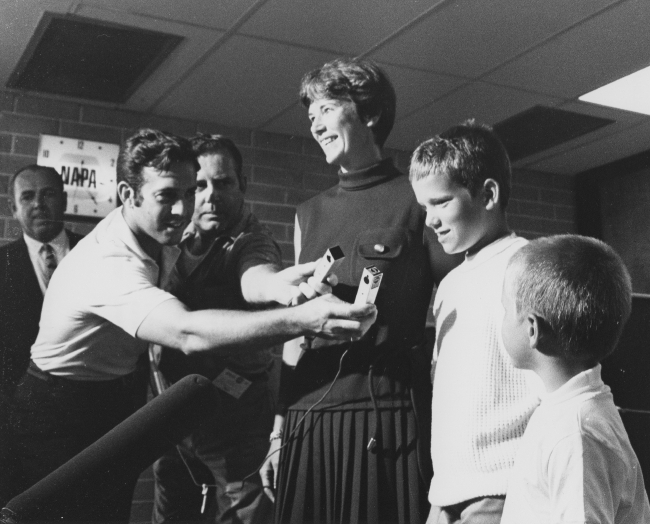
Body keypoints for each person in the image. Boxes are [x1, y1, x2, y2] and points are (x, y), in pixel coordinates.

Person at [9, 128, 377, 522]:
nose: (187, 208)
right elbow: (187, 332)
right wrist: (302, 319)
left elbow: (256, 273)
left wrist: (280, 287)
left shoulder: (184, 231)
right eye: (172, 194)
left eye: (191, 192)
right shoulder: (111, 262)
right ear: (127, 195)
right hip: (61, 407)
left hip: (172, 406)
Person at [261, 58, 459, 524]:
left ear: (369, 114)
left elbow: (455, 314)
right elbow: (297, 327)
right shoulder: (307, 212)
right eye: (310, 115)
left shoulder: (415, 200)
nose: (315, 123)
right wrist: (278, 428)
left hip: (387, 415)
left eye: (327, 108)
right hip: (308, 416)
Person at [410, 120, 540, 524]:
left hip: (503, 489)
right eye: (424, 207)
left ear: (488, 194)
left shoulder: (531, 266)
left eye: (442, 202)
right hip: (447, 490)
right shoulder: (448, 284)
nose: (429, 220)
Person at [152, 134, 284, 524]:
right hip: (174, 413)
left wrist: (280, 286)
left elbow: (258, 276)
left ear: (241, 184)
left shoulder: (251, 241)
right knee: (171, 514)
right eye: (201, 186)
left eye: (223, 183)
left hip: (235, 422)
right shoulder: (181, 237)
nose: (211, 196)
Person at [500, 235, 650, 523]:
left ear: (532, 329)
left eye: (505, 309)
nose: (502, 317)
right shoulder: (569, 411)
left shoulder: (575, 432)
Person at [0, 165, 83, 505]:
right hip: (15, 434)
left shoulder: (98, 255)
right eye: (28, 196)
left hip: (89, 426)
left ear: (64, 199)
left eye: (48, 194)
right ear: (13, 207)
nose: (39, 204)